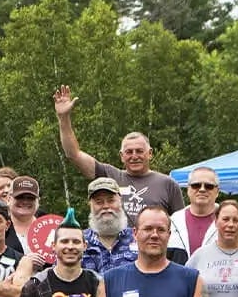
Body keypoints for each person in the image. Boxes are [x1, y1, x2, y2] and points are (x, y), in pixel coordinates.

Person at [53, 85, 182, 217]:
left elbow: (179, 225)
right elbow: (73, 154)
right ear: (121, 156)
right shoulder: (110, 176)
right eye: (129, 152)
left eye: (139, 151)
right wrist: (64, 118)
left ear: (150, 153)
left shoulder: (168, 185)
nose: (134, 156)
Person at [170, 166, 238, 260]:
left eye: (209, 186)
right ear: (188, 189)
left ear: (217, 191)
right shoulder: (173, 221)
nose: (202, 189)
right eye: (196, 185)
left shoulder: (232, 221)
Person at [78, 178, 137, 276]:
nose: (105, 206)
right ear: (90, 205)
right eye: (99, 202)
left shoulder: (138, 239)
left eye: (111, 200)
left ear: (120, 201)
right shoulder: (77, 241)